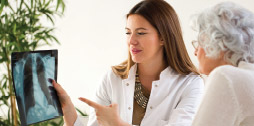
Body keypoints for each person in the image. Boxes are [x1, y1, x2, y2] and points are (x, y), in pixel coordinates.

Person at [52, 0, 204, 126]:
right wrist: (68, 112)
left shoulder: (190, 84)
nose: (131, 41)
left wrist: (117, 124)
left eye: (140, 33)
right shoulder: (112, 78)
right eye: (128, 32)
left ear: (163, 38)